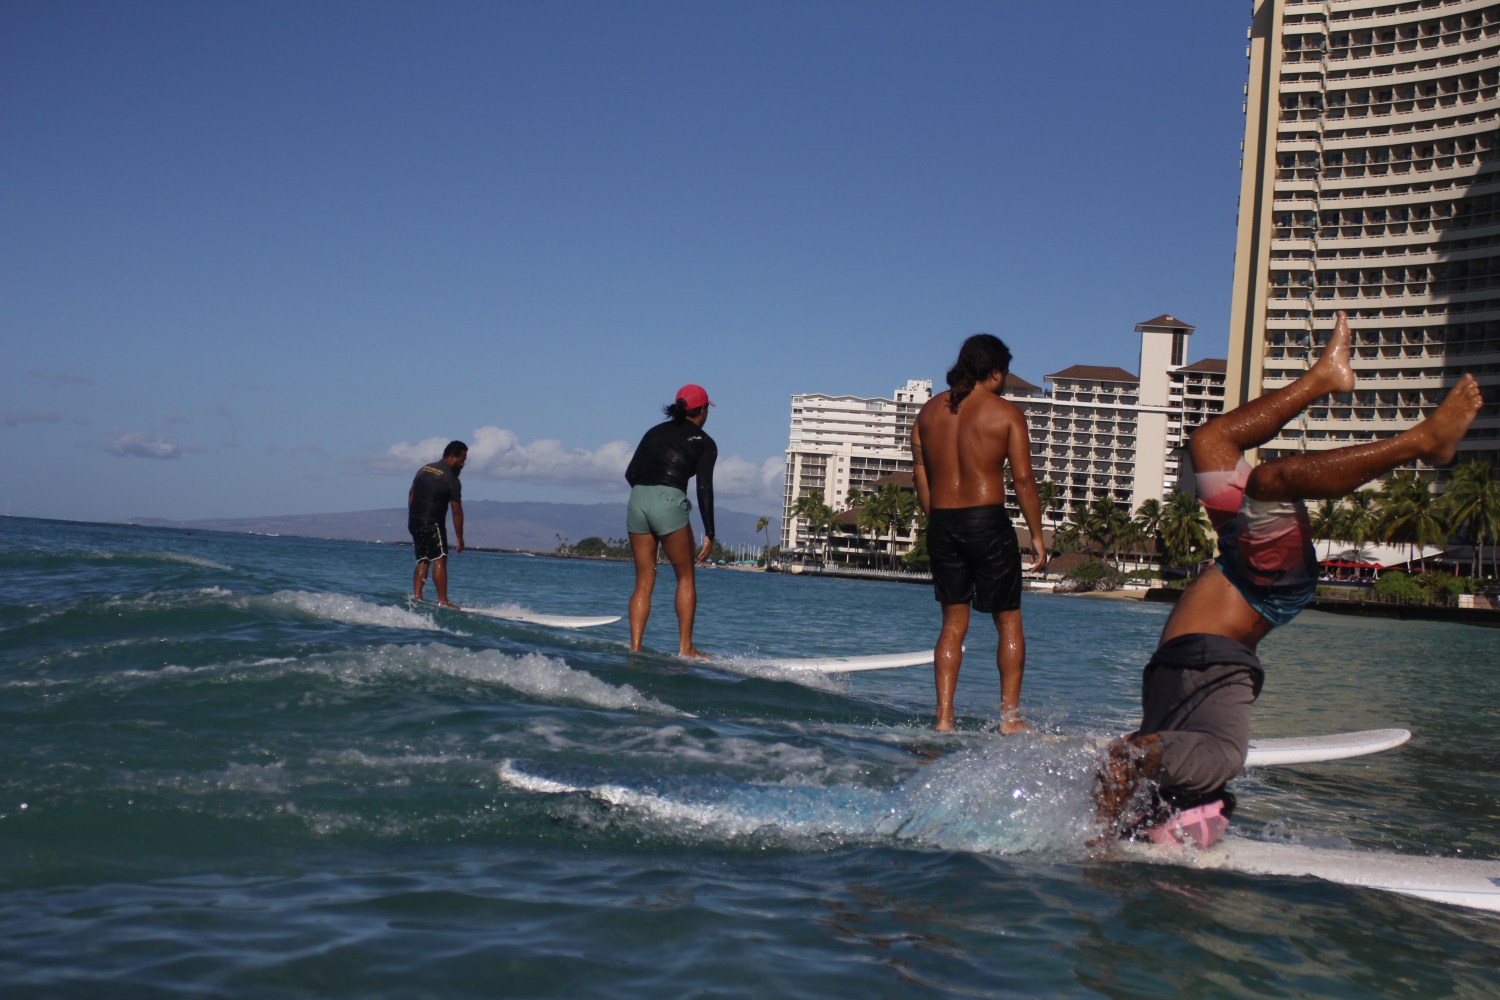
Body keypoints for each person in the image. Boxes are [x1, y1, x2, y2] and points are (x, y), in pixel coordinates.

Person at [1098, 311, 1483, 847]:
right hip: (1262, 587)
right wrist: (1099, 846)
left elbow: (1132, 761)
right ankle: (1424, 442)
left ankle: (1323, 378)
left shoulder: (1187, 766)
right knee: (1270, 481)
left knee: (1210, 441)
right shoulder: (1212, 762)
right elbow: (1128, 760)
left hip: (1234, 570)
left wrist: (1103, 831)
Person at [912, 334, 1049, 734]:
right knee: (1008, 623)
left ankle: (943, 718)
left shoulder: (927, 413)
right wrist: (1037, 536)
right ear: (995, 372)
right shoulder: (1006, 413)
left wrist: (935, 517)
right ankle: (1009, 719)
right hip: (986, 521)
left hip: (942, 522)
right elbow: (1023, 480)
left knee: (952, 625)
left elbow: (922, 473)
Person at [625, 384, 718, 659]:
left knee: (643, 581)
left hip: (638, 498)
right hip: (669, 500)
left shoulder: (653, 432)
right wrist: (710, 532)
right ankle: (686, 648)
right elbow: (704, 489)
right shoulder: (705, 443)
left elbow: (631, 473)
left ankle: (635, 647)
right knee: (686, 577)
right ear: (701, 410)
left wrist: (648, 496)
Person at [408, 440, 467, 609]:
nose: (463, 464)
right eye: (462, 460)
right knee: (440, 558)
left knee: (423, 559)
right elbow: (456, 511)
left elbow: (411, 493)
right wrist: (460, 538)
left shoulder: (424, 469)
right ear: (451, 457)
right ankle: (442, 600)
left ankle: (417, 597)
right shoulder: (452, 480)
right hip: (432, 523)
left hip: (415, 521)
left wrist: (412, 515)